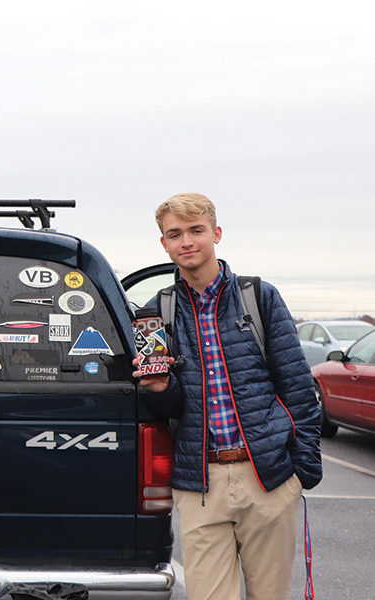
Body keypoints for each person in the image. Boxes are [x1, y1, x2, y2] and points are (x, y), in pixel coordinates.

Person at [133, 193, 321, 600]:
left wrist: (301, 471)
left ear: (215, 233)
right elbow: (167, 409)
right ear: (163, 244)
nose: (187, 241)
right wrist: (161, 389)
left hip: (267, 478)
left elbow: (299, 388)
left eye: (196, 231)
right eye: (175, 234)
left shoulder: (259, 297)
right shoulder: (156, 314)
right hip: (200, 484)